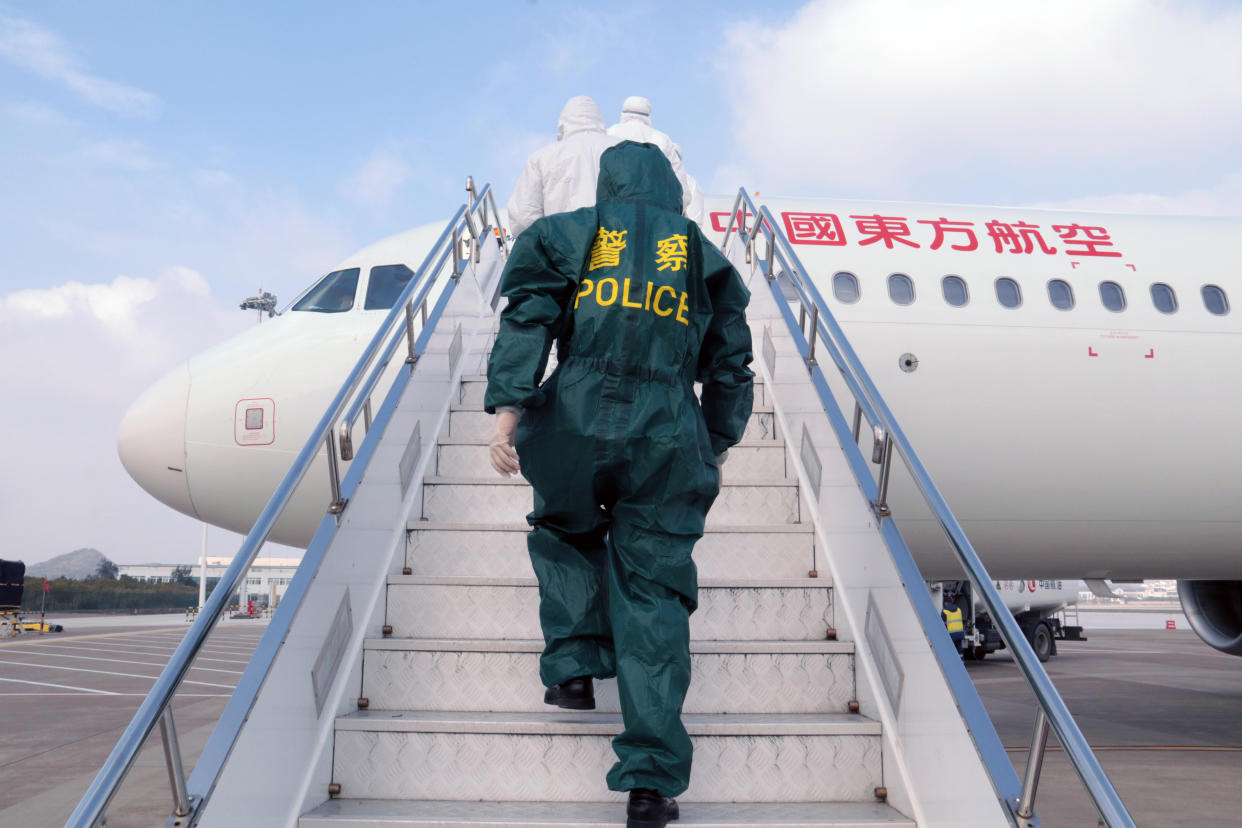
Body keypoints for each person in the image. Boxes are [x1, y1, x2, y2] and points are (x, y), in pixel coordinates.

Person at [484, 141, 754, 828]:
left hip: (575, 413)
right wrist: (717, 442)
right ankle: (649, 788)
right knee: (654, 598)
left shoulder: (566, 233)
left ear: (607, 183)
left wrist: (509, 412)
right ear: (672, 189)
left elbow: (529, 319)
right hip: (667, 431)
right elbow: (730, 362)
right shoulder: (702, 255)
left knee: (565, 529)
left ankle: (574, 666)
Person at [506, 95, 621, 239]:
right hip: (618, 248)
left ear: (563, 124)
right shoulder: (625, 150)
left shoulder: (543, 157)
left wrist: (545, 245)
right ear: (600, 121)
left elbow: (523, 216)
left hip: (564, 250)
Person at [607, 96, 705, 227]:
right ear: (648, 115)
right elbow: (680, 186)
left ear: (623, 112)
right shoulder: (661, 139)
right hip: (651, 216)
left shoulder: (609, 133)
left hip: (613, 213)